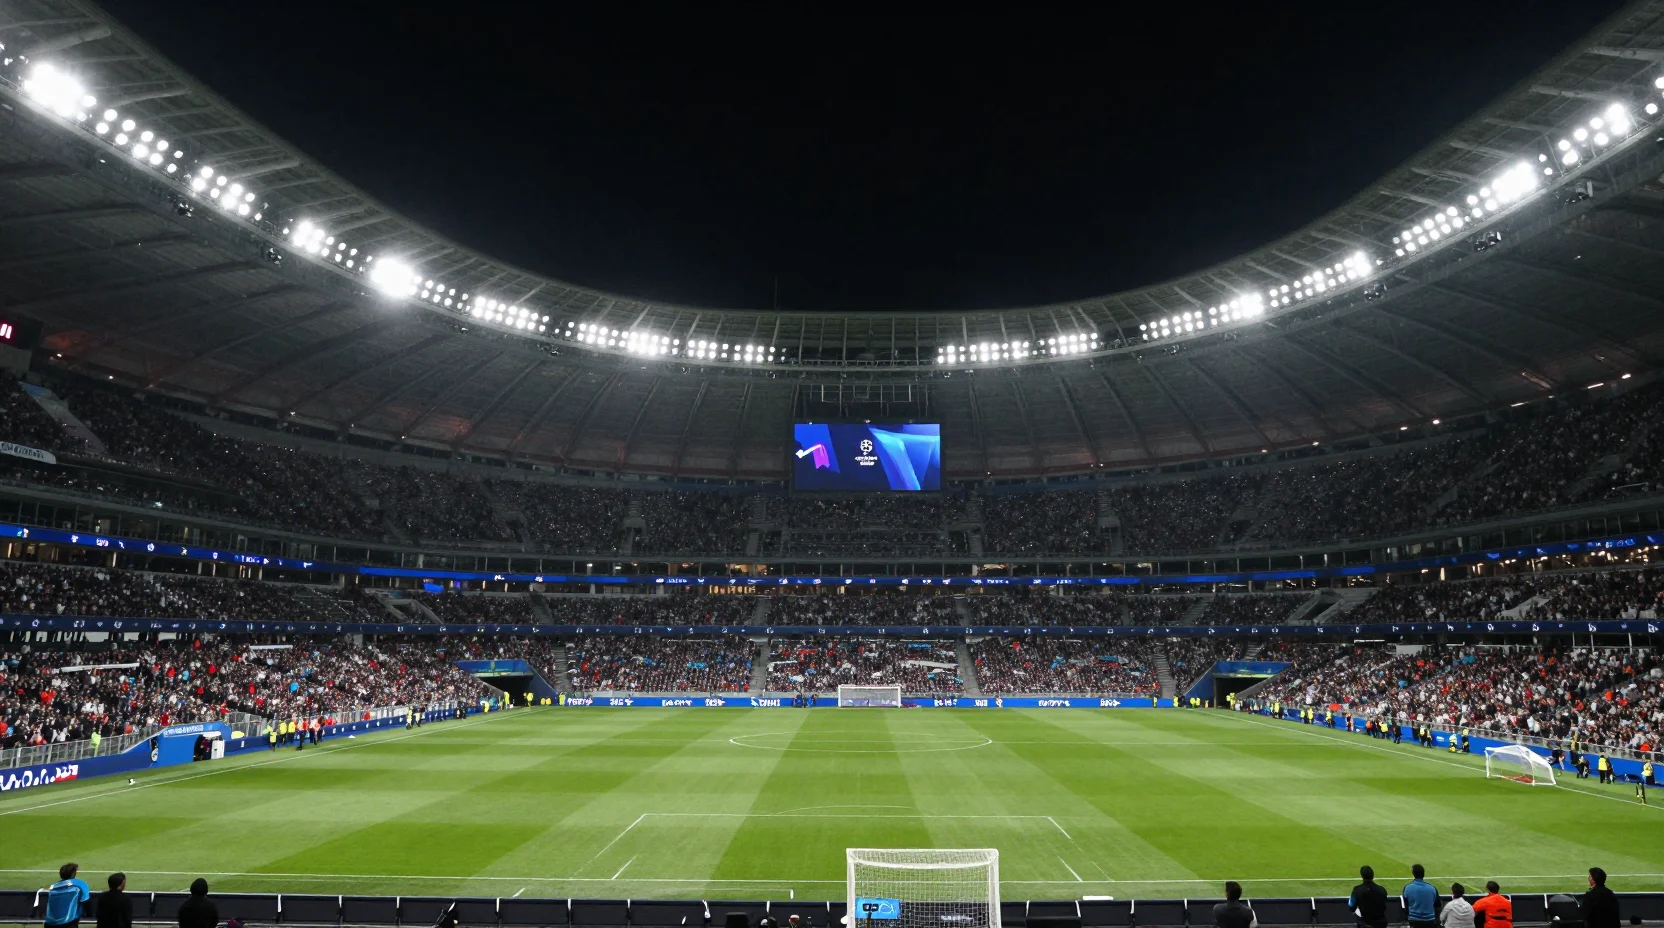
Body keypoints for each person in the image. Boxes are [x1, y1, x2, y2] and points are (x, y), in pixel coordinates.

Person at [44, 863, 91, 928]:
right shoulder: (80, 884)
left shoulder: (54, 886)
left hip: (49, 923)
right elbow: (85, 901)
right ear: (73, 873)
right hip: (69, 922)